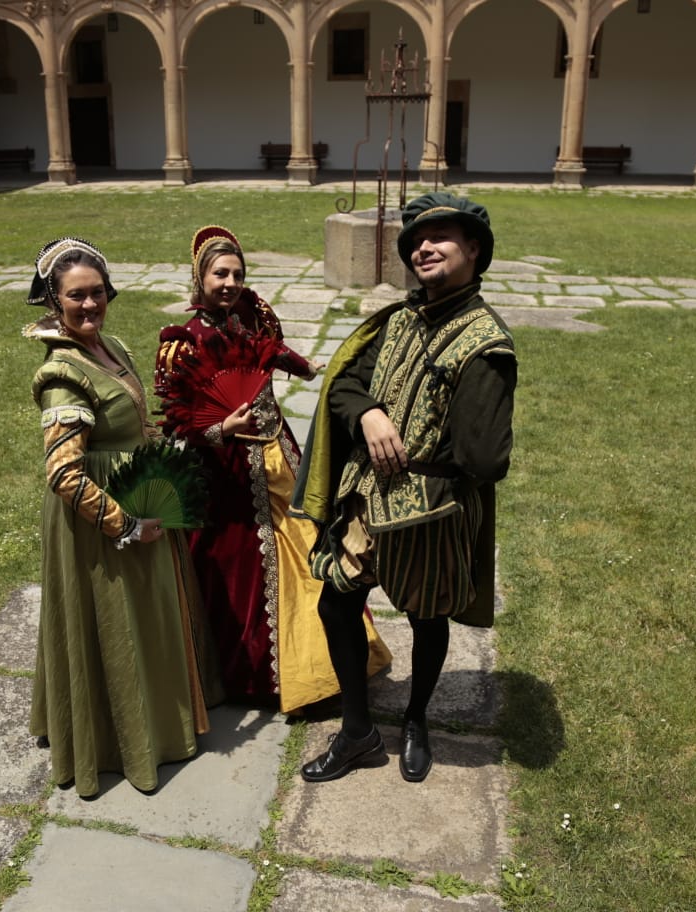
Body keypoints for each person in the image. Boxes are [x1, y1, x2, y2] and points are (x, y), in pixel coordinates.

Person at [291, 193, 517, 783]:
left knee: (426, 616)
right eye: (417, 238)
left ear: (474, 250)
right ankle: (358, 731)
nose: (425, 245)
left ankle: (416, 717)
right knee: (336, 600)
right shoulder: (397, 321)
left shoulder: (486, 345)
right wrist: (369, 413)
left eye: (442, 235)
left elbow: (485, 459)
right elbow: (343, 388)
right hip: (367, 502)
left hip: (434, 515)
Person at [155, 225, 390, 713]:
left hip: (277, 453)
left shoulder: (245, 319)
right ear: (199, 276)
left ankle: (327, 663)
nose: (230, 282)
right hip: (229, 479)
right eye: (220, 273)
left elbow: (268, 351)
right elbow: (180, 425)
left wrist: (308, 368)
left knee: (309, 548)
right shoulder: (185, 343)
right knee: (248, 568)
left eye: (237, 273)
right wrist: (222, 427)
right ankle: (266, 677)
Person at [25, 236, 215, 798]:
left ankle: (152, 723)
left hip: (137, 497)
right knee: (112, 628)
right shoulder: (62, 374)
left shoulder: (111, 347)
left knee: (145, 625)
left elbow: (134, 421)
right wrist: (126, 525)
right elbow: (64, 475)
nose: (89, 305)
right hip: (100, 528)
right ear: (53, 302)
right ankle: (117, 742)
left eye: (98, 293)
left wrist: (163, 454)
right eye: (75, 296)